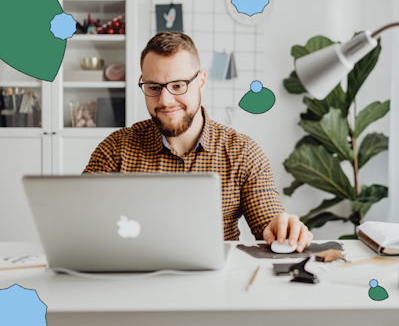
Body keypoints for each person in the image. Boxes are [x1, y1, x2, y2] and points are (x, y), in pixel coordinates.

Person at [83, 32, 313, 252]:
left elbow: (268, 221)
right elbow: (79, 221)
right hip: (133, 281)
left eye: (178, 85)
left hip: (217, 285)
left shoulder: (243, 152)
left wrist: (281, 228)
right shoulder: (115, 149)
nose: (165, 100)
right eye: (153, 87)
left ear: (201, 82)